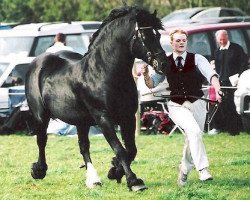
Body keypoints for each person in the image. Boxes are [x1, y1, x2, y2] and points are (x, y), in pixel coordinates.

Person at [142, 29, 223, 187]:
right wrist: (145, 74)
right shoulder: (165, 62)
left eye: (183, 40)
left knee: (193, 137)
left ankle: (184, 171)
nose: (181, 43)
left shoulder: (197, 58)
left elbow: (211, 75)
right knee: (194, 132)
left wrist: (218, 89)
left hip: (198, 102)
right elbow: (152, 84)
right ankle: (203, 169)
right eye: (178, 40)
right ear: (171, 43)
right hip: (177, 105)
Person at [209, 30, 248, 135]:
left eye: (223, 39)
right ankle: (224, 128)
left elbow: (244, 64)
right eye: (220, 40)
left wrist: (239, 77)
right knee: (223, 105)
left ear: (227, 37)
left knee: (233, 105)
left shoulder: (236, 49)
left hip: (234, 83)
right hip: (222, 83)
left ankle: (236, 130)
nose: (222, 41)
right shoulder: (217, 51)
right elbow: (216, 68)